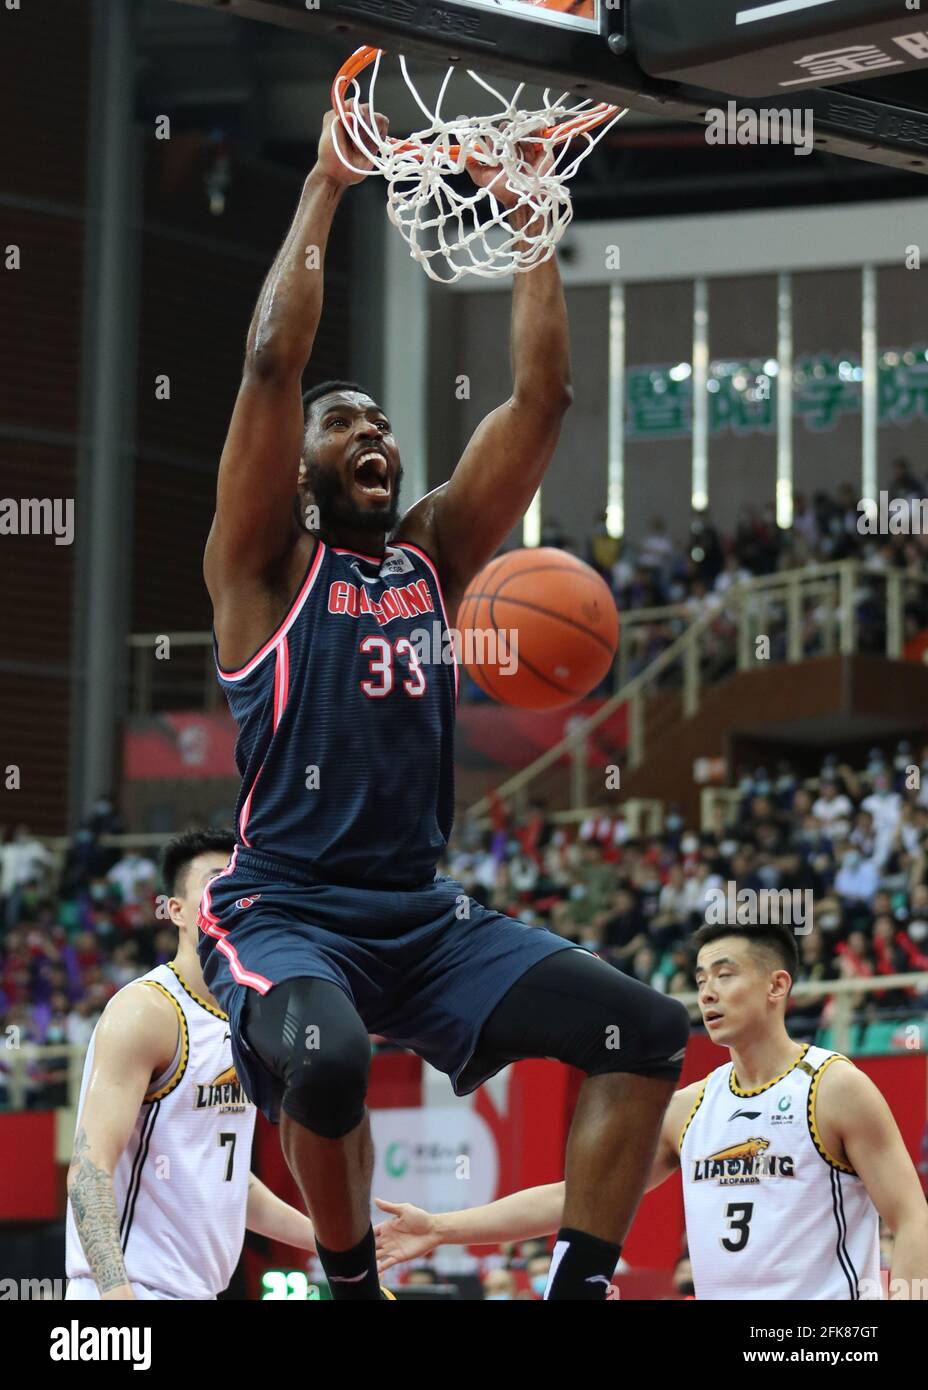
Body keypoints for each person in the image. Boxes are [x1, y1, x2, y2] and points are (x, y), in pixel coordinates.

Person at [196, 100, 689, 1302]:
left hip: (422, 916)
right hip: (286, 913)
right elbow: (271, 363)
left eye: (379, 422)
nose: (371, 431)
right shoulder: (264, 570)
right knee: (326, 1064)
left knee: (647, 1030)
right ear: (302, 468)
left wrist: (531, 229)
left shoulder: (433, 557)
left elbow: (541, 403)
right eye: (341, 424)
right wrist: (324, 181)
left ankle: (576, 1286)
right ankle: (356, 1283)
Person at [374, 923, 928, 1300]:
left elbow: (911, 1215)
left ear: (777, 985)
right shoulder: (689, 1107)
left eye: (726, 974)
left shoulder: (834, 1087)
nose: (707, 992)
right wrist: (440, 1227)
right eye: (701, 979)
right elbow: (577, 1197)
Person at [64, 830, 317, 1300]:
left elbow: (227, 1179)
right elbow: (89, 1168)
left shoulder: (244, 1016)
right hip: (130, 1291)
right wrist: (116, 1297)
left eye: (239, 883)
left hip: (196, 1291)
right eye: (215, 881)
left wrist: (333, 1244)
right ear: (176, 910)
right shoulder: (147, 1010)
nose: (231, 893)